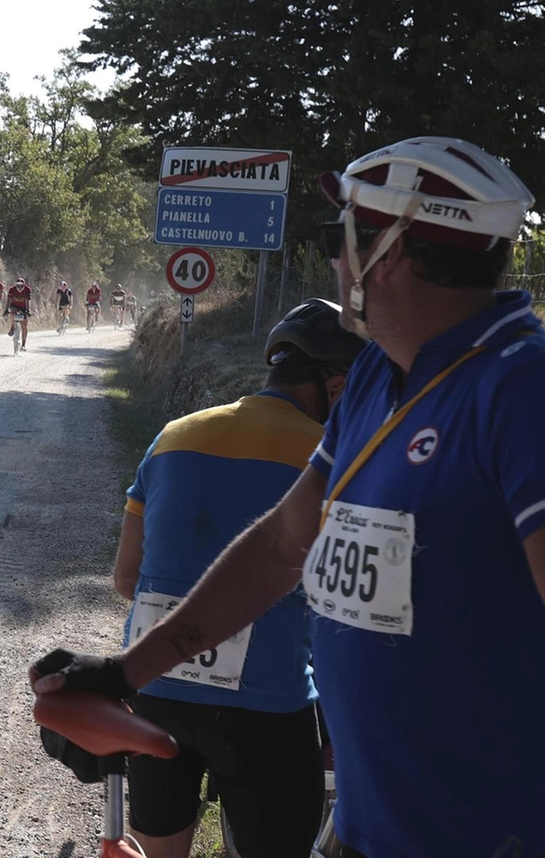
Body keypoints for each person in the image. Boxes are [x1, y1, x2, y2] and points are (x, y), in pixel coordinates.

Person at [32, 137, 545, 858]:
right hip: (363, 828)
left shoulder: (520, 388)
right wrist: (124, 673)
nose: (337, 261)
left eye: (342, 240)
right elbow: (280, 545)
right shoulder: (376, 381)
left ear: (388, 251)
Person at [111, 298, 366, 858]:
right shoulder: (336, 461)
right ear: (339, 386)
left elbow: (127, 578)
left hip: (158, 689)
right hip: (269, 709)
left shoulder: (172, 436)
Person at [5, 277, 32, 351]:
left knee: (24, 325)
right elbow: (9, 300)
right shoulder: (12, 289)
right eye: (18, 286)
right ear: (15, 285)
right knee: (12, 313)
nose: (19, 288)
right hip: (15, 306)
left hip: (23, 307)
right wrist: (6, 309)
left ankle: (23, 345)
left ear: (24, 285)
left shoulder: (27, 290)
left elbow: (27, 301)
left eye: (21, 286)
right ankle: (12, 327)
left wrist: (28, 310)